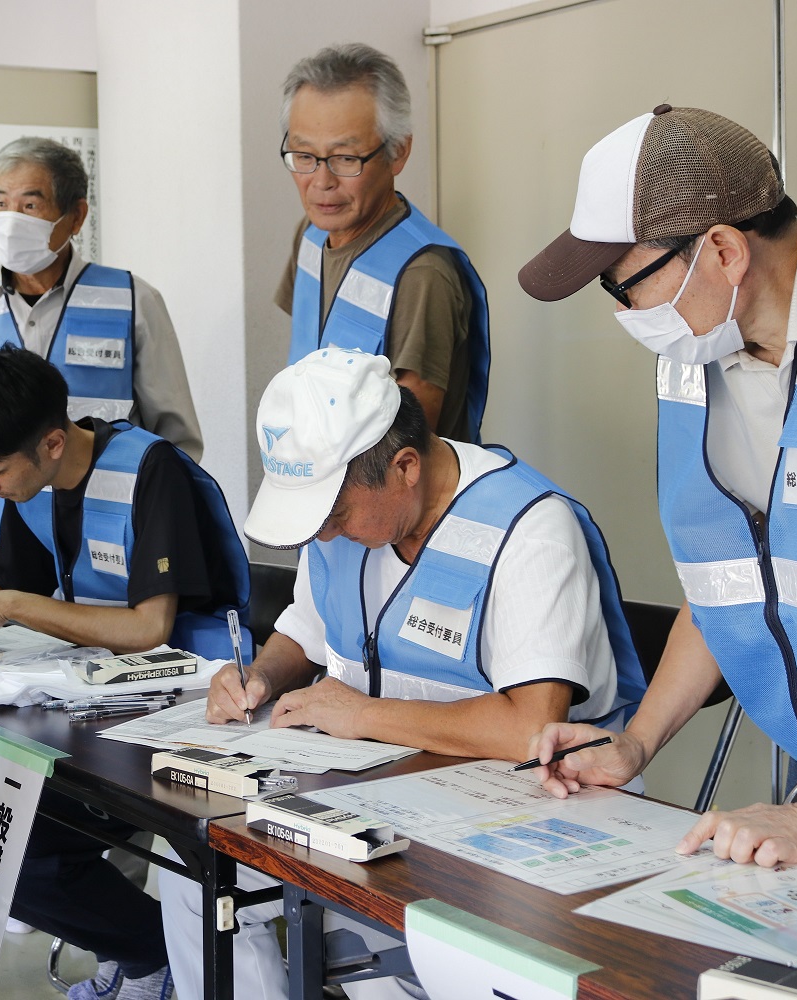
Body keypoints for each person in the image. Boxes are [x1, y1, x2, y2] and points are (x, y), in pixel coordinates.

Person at [159, 348, 646, 1000]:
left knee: (381, 951)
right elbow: (305, 626)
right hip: (387, 793)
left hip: (530, 813)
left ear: (405, 468)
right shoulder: (346, 525)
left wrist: (360, 715)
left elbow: (530, 728)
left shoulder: (528, 528)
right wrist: (260, 677)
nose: (326, 537)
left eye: (335, 517)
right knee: (190, 865)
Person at [518, 104, 797, 865]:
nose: (625, 315)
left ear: (722, 250)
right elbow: (728, 580)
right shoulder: (699, 357)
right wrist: (634, 745)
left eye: (627, 286)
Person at [0, 345, 249, 1000]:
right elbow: (5, 582)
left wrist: (5, 606)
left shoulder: (151, 470)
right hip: (89, 718)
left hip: (184, 723)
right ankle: (147, 948)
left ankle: (151, 955)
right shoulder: (37, 485)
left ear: (53, 442)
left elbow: (148, 628)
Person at [0, 136, 202, 607]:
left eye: (30, 204)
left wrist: (158, 543)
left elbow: (175, 441)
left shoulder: (131, 301)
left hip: (112, 554)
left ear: (76, 216)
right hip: (6, 562)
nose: (11, 219)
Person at [275, 43, 490, 442]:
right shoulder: (310, 233)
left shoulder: (423, 275)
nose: (321, 182)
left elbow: (407, 452)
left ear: (398, 152)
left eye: (345, 158)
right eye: (304, 155)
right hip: (306, 473)